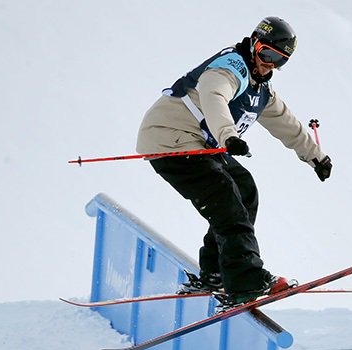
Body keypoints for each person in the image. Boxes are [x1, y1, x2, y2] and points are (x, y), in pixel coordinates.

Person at [136, 16, 332, 305]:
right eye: (266, 54)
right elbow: (214, 97)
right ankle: (246, 282)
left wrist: (316, 156)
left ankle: (215, 273)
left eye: (280, 60)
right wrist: (228, 136)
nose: (270, 64)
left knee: (244, 189)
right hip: (170, 140)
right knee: (227, 202)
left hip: (199, 145)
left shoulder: (260, 87)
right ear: (254, 43)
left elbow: (284, 121)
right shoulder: (229, 68)